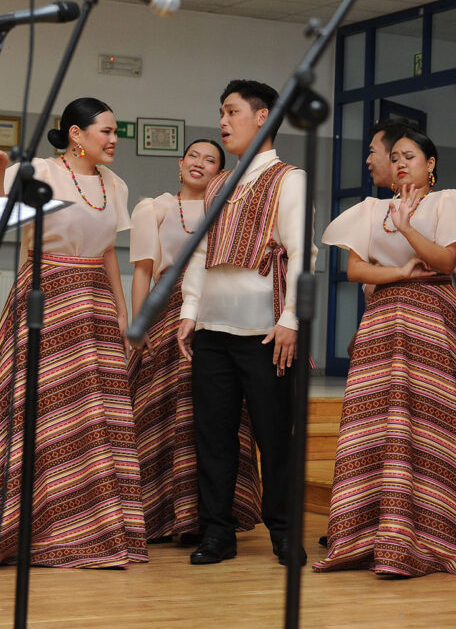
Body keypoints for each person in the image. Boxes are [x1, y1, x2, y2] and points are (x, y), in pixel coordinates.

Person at [0, 98, 146, 569]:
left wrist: (122, 313)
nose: (114, 139)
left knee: (89, 417)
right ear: (76, 134)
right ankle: (25, 527)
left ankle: (89, 526)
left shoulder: (114, 184)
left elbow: (109, 254)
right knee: (35, 412)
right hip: (44, 294)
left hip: (93, 306)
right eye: (106, 131)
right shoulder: (35, 171)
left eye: (116, 131)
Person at [315, 129, 456, 577]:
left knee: (430, 421)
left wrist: (405, 230)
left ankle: (440, 534)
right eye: (396, 157)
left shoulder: (449, 203)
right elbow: (354, 268)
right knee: (376, 423)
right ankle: (369, 534)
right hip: (382, 321)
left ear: (431, 164)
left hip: (433, 317)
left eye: (412, 157)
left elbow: (445, 261)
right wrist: (398, 270)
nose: (402, 164)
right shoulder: (369, 209)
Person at [177, 79, 311, 567]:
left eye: (232, 111)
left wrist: (292, 317)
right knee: (212, 434)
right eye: (221, 111)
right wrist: (191, 310)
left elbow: (300, 253)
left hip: (266, 330)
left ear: (262, 118)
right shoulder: (218, 183)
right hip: (213, 328)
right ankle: (217, 532)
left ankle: (283, 531)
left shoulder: (289, 178)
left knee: (275, 435)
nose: (223, 121)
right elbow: (200, 253)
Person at [128, 139, 262, 542]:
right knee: (163, 413)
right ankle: (161, 512)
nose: (200, 164)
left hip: (218, 314)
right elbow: (142, 273)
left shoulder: (225, 210)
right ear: (180, 162)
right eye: (194, 156)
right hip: (169, 317)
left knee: (216, 417)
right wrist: (141, 324)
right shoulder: (154, 207)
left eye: (211, 160)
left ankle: (213, 513)